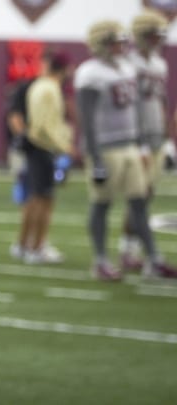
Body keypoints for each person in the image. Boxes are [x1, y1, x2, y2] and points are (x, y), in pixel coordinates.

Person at [73, 20, 177, 281]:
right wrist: (95, 157)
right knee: (102, 204)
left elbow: (135, 111)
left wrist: (143, 143)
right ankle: (100, 261)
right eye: (116, 42)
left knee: (139, 202)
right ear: (102, 44)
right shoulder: (90, 72)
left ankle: (154, 259)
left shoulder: (127, 67)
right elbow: (86, 119)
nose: (122, 46)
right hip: (106, 148)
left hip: (130, 145)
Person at [118, 9, 171, 271]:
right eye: (153, 35)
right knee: (137, 196)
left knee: (147, 195)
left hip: (155, 136)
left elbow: (161, 99)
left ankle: (132, 247)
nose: (158, 39)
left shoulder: (160, 64)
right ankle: (130, 250)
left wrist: (167, 137)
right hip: (135, 137)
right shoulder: (128, 64)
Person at [10, 50, 74, 264]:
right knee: (43, 199)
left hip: (37, 147)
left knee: (35, 198)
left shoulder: (39, 86)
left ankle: (24, 244)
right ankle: (36, 247)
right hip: (42, 148)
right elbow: (45, 126)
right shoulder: (49, 89)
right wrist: (64, 146)